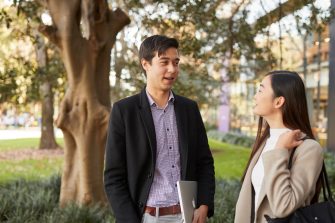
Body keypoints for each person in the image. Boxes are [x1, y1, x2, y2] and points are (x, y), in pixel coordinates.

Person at [104, 35, 215, 223]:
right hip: (146, 217)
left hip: (187, 216)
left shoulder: (189, 109)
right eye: (164, 62)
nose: (172, 69)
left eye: (176, 62)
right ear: (145, 64)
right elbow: (114, 177)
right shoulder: (124, 111)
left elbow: (204, 162)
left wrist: (204, 205)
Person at [234, 70, 324, 223]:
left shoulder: (308, 149)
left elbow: (284, 206)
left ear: (278, 102)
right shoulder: (265, 141)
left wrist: (280, 151)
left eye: (260, 90)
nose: (255, 96)